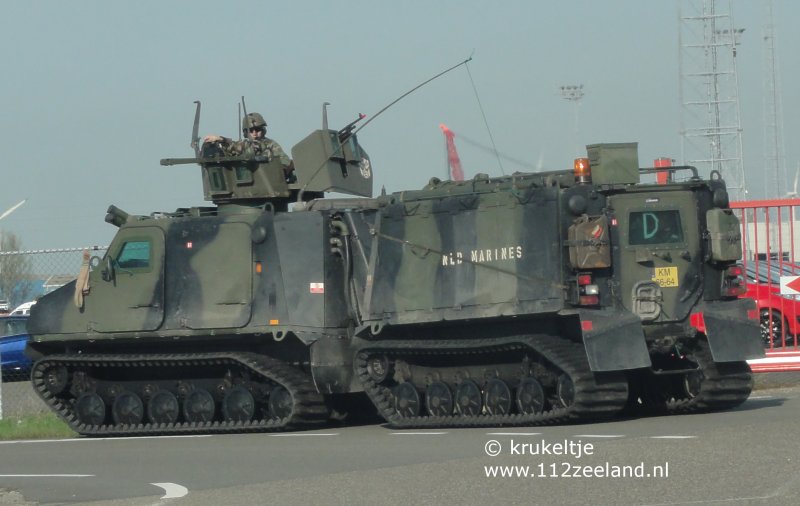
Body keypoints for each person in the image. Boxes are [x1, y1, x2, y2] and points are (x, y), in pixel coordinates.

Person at [203, 112, 295, 181]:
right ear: (246, 133)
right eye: (251, 131)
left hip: (268, 181)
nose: (254, 133)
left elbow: (284, 161)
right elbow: (233, 146)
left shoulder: (270, 144)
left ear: (263, 130)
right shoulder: (244, 145)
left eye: (258, 129)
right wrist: (220, 139)